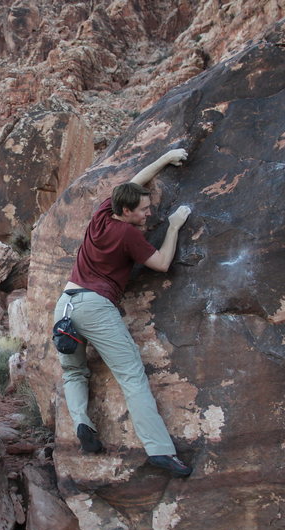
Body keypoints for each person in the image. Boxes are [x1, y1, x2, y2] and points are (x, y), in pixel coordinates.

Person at [53, 147, 193, 477]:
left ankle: (82, 425)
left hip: (65, 307)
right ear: (127, 211)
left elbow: (134, 181)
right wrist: (173, 226)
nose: (149, 214)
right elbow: (160, 264)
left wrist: (166, 157)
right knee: (132, 377)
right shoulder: (128, 234)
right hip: (95, 308)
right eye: (143, 210)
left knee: (73, 372)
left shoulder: (104, 213)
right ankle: (160, 451)